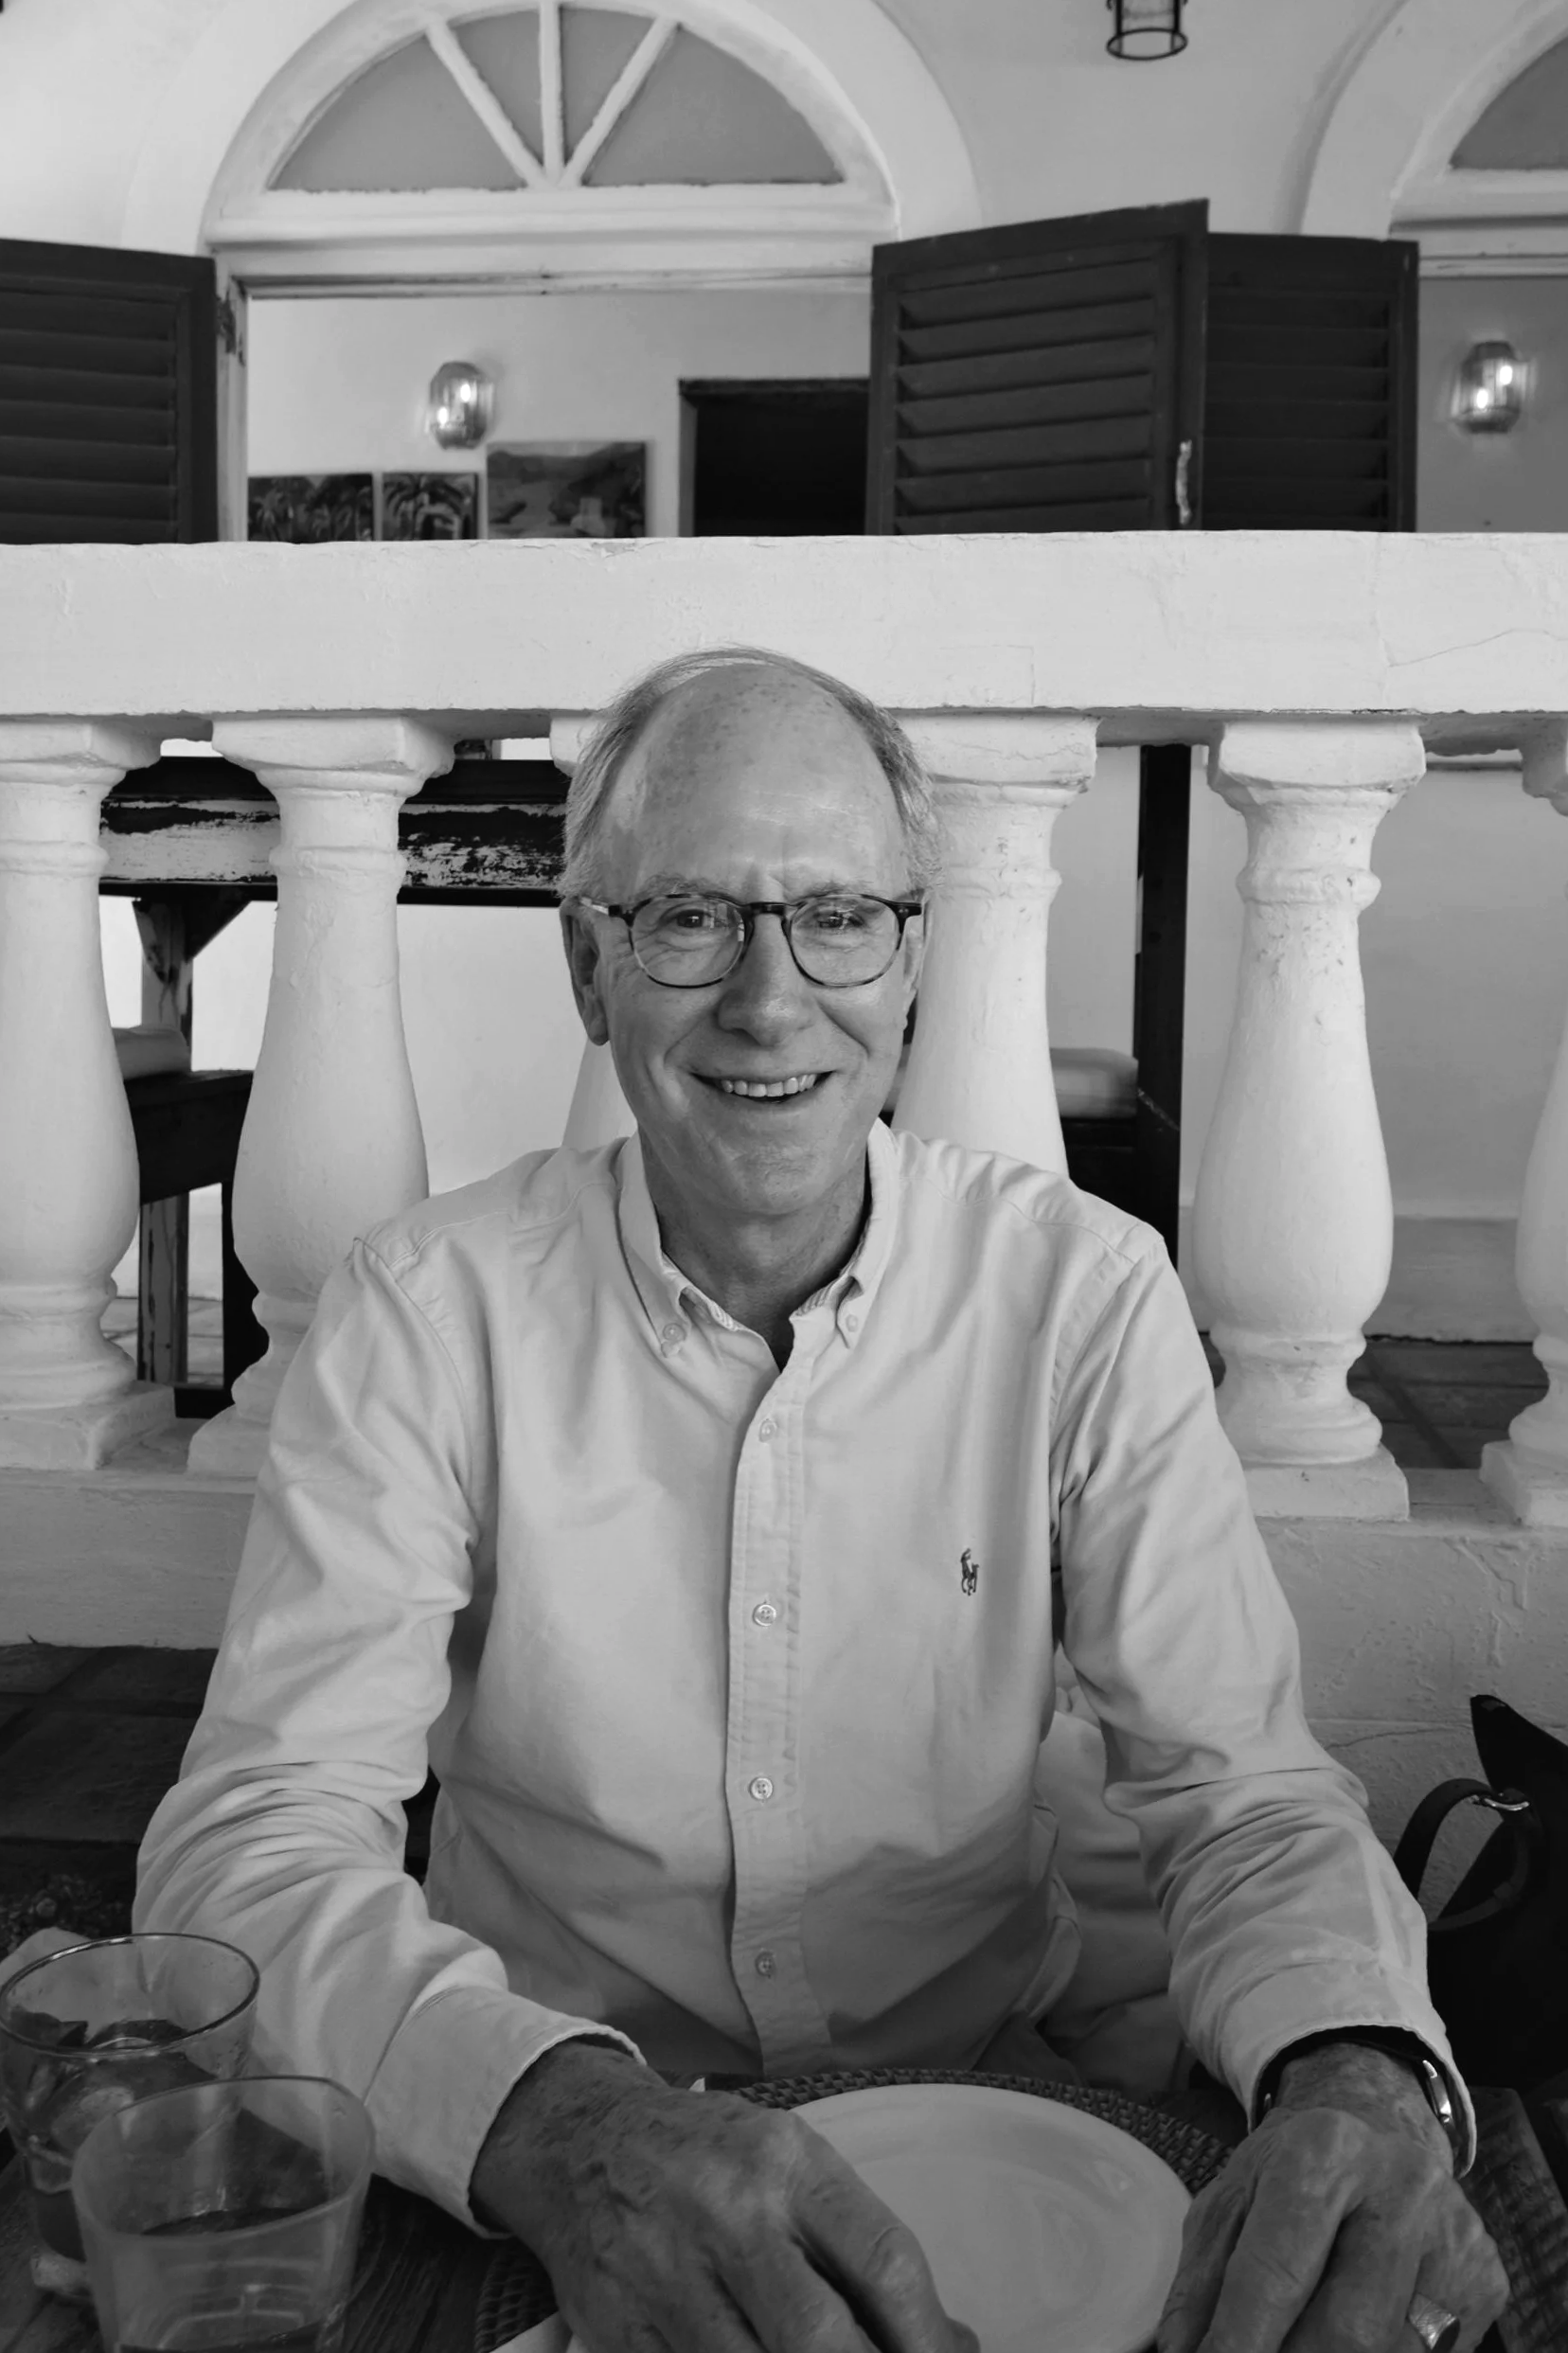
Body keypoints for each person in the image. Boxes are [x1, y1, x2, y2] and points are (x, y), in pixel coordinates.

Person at [137, 648, 1506, 2353]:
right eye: (692, 918)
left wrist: (1363, 2073)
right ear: (589, 966)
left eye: (839, 915)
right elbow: (253, 1840)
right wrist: (561, 2128)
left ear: (912, 961)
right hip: (567, 2167)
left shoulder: (1083, 1295)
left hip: (1000, 2144)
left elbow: (1242, 1802)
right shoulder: (430, 1309)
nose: (773, 1004)